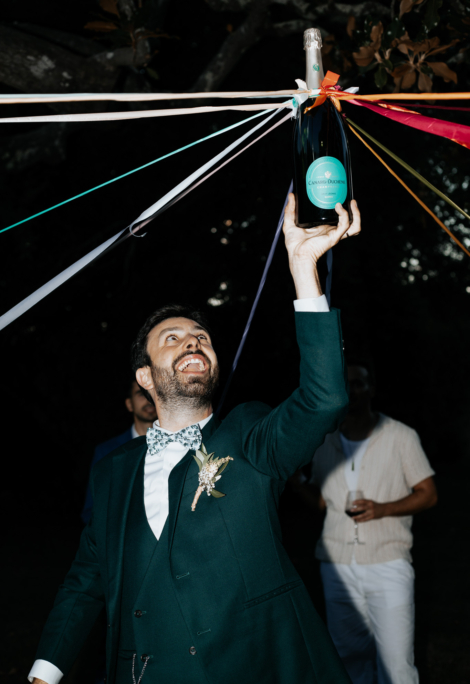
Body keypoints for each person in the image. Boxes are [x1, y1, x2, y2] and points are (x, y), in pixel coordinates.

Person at [28, 194, 361, 684]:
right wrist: (45, 672)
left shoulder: (248, 434)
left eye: (201, 336)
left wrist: (302, 266)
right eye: (173, 338)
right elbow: (86, 579)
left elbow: (324, 399)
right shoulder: (113, 470)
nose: (193, 340)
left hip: (251, 668)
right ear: (145, 378)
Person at [303, 358, 437, 684]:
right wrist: (295, 484)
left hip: (387, 563)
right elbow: (322, 502)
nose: (351, 391)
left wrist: (383, 509)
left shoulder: (400, 436)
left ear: (371, 389)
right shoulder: (324, 440)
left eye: (358, 383)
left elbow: (428, 494)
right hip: (336, 566)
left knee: (397, 665)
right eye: (345, 384)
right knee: (348, 657)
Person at [81, 380, 157, 523]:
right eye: (141, 394)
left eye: (153, 393)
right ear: (129, 404)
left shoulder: (178, 445)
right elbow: (92, 510)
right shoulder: (107, 452)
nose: (149, 399)